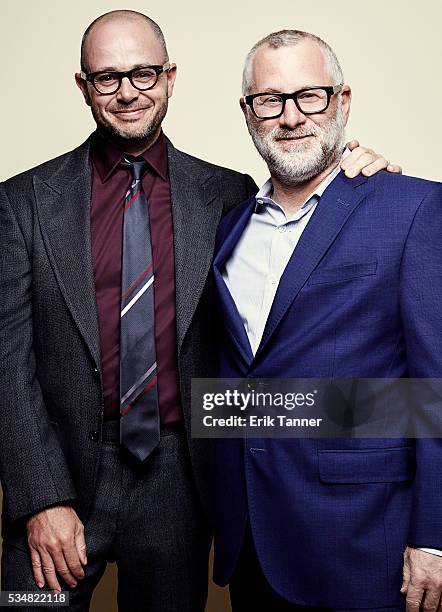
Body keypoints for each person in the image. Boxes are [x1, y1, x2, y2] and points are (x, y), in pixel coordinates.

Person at [0, 10, 395, 611]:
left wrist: (357, 174)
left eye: (143, 73)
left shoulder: (232, 197)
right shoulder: (22, 201)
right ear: (83, 87)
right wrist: (39, 497)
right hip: (61, 478)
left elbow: (303, 227)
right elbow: (8, 361)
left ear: (170, 77)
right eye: (107, 78)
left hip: (180, 481)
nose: (128, 91)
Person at [213, 29, 442, 612]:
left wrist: (434, 537)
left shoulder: (411, 208)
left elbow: (432, 386)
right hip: (252, 538)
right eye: (271, 100)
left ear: (342, 100)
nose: (291, 117)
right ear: (248, 113)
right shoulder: (230, 224)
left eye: (310, 96)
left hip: (364, 540)